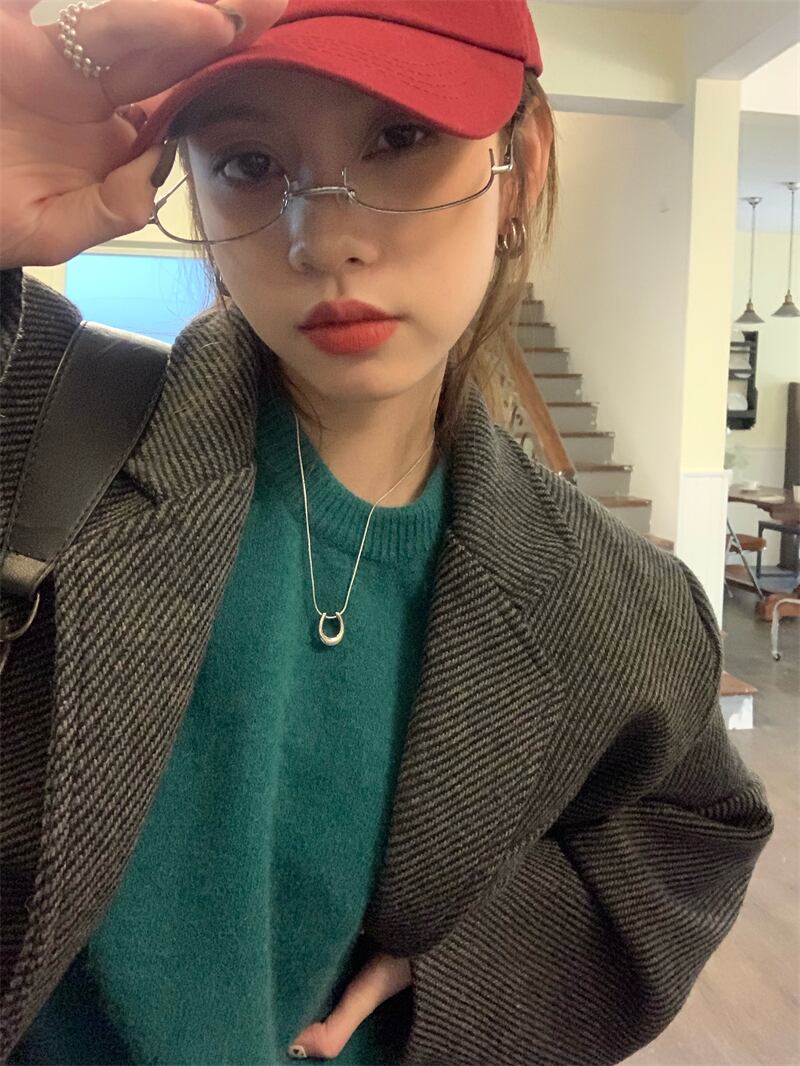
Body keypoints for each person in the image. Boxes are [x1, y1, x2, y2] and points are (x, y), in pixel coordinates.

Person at [0, 1, 774, 1064]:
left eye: (400, 137)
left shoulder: (615, 599)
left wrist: (501, 959)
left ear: (522, 165)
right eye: (250, 163)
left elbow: (691, 830)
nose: (322, 240)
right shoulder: (38, 422)